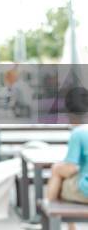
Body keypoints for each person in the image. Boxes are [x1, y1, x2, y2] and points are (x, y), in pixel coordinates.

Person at [47, 87, 88, 230]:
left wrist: (57, 168)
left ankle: (49, 215)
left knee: (58, 174)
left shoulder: (78, 133)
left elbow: (69, 168)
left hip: (85, 190)